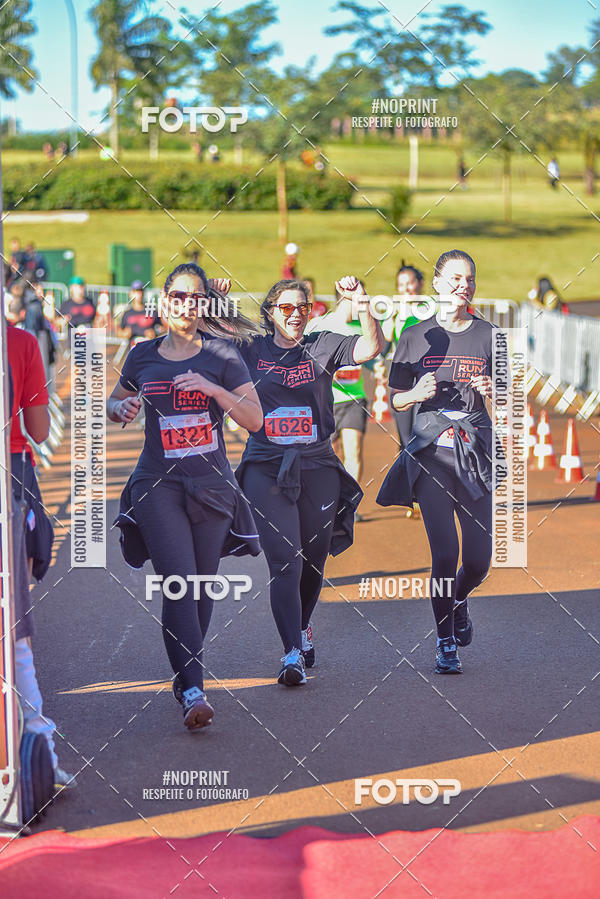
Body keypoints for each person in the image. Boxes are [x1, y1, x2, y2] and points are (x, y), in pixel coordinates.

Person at [107, 263, 263, 731]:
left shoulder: (223, 355)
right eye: (177, 296)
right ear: (163, 301)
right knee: (179, 579)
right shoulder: (141, 356)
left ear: (202, 305)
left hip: (211, 485)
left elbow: (255, 420)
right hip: (157, 484)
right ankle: (194, 687)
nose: (185, 305)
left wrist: (213, 389)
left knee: (201, 584)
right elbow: (115, 403)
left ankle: (184, 671)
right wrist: (122, 407)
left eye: (194, 298)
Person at [234, 275, 385, 686]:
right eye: (285, 308)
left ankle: (302, 626)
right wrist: (212, 298)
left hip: (317, 465)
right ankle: (290, 654)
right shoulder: (251, 349)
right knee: (286, 559)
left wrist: (363, 303)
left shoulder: (323, 344)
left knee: (313, 562)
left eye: (303, 307)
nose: (295, 315)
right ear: (270, 313)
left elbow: (371, 348)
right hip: (266, 465)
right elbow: (204, 341)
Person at [377, 250, 495, 676]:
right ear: (439, 283)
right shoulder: (415, 336)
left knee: (479, 561)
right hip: (432, 455)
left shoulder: (489, 335)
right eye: (457, 278)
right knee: (445, 554)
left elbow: (512, 403)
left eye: (471, 278)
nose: (464, 285)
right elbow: (396, 398)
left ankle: (459, 599)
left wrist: (491, 391)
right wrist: (416, 394)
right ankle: (445, 640)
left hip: (475, 455)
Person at [6, 327, 74, 788]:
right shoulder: (20, 342)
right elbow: (39, 429)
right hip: (11, 477)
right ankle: (41, 756)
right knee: (14, 627)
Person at [305, 280, 371, 496]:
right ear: (344, 297)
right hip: (326, 400)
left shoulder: (363, 327)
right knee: (331, 454)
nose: (361, 305)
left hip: (354, 399)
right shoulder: (319, 325)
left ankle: (350, 504)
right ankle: (330, 501)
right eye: (357, 300)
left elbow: (370, 354)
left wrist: (377, 367)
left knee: (355, 452)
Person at [118, 280, 161, 345]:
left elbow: (164, 329)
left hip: (149, 348)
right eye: (136, 292)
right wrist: (124, 334)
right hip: (133, 348)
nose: (139, 294)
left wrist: (155, 333)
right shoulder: (127, 313)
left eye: (141, 291)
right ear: (131, 294)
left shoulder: (152, 311)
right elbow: (119, 331)